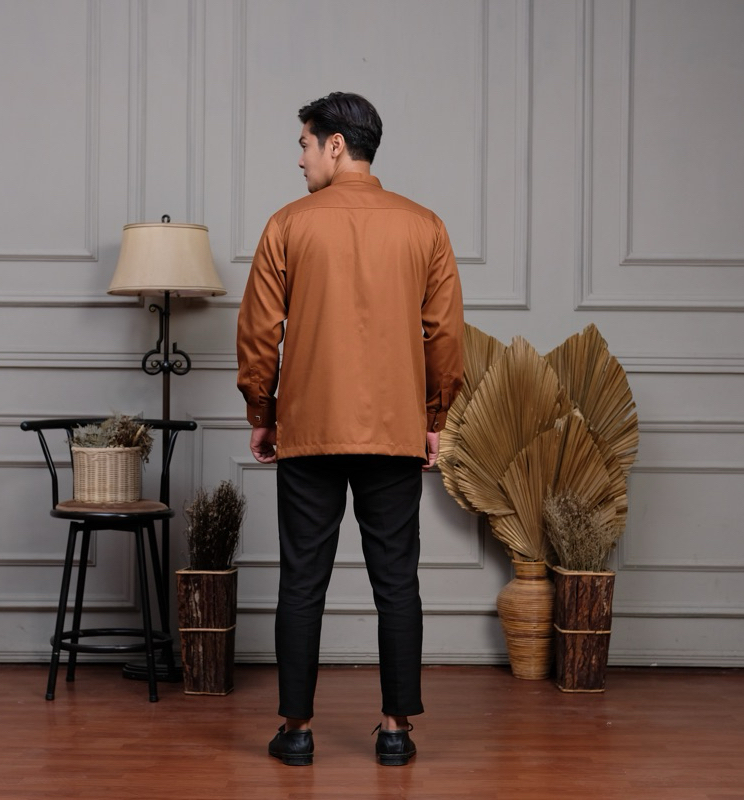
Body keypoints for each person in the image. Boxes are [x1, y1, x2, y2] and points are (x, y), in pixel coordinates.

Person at [236, 91, 464, 767]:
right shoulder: (425, 226)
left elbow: (258, 332)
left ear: (336, 144)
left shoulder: (288, 223)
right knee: (397, 581)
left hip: (308, 430)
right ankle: (395, 730)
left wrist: (262, 413)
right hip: (394, 432)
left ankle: (296, 730)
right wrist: (434, 419)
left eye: (304, 145)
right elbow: (446, 336)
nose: (300, 160)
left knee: (301, 581)